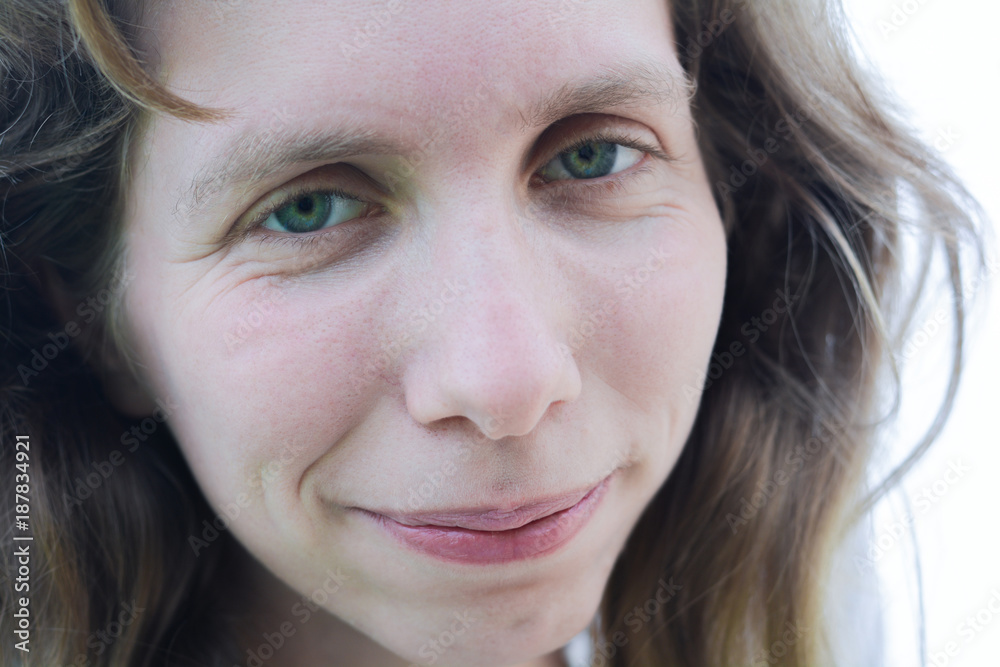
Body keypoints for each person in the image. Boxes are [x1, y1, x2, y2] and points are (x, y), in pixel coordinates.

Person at [0, 0, 986, 665]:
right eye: (307, 210)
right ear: (92, 317)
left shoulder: (822, 613)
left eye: (594, 156)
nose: (509, 381)